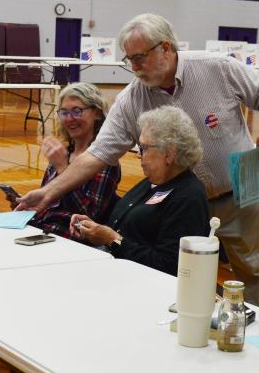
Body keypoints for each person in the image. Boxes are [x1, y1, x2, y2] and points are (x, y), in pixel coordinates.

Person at [17, 13, 259, 304]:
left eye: (139, 57)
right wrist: (47, 193)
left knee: (256, 274)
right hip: (184, 206)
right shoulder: (132, 99)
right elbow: (97, 154)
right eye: (129, 60)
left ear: (165, 48)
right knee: (186, 277)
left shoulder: (214, 67)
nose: (134, 67)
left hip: (240, 194)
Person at [69, 106, 209, 274]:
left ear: (169, 154)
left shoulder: (188, 197)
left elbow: (169, 265)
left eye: (143, 148)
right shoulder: (152, 182)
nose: (137, 154)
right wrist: (92, 227)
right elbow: (128, 223)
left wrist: (113, 240)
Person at [4, 83, 120, 238]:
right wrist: (26, 207)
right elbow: (47, 205)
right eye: (64, 112)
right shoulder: (63, 152)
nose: (70, 119)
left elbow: (89, 215)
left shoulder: (104, 160)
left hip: (67, 239)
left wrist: (62, 168)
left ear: (97, 113)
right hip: (40, 231)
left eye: (77, 111)